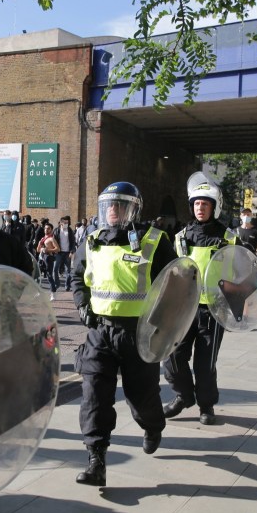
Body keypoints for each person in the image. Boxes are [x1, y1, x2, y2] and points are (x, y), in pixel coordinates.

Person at [72, 182, 177, 486]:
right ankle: (96, 459)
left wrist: (166, 325)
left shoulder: (154, 240)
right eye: (109, 206)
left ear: (134, 209)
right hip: (100, 333)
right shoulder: (91, 241)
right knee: (94, 397)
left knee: (141, 398)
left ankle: (153, 425)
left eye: (121, 205)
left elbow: (174, 285)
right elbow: (78, 277)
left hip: (139, 334)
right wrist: (82, 305)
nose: (114, 211)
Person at [162, 173, 236, 424]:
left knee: (205, 364)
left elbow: (238, 275)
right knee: (173, 357)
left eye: (205, 203)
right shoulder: (181, 236)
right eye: (196, 203)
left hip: (213, 310)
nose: (200, 207)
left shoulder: (228, 238)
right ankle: (183, 395)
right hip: (184, 309)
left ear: (214, 207)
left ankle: (206, 406)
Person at [52, 215, 77, 292]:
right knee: (55, 269)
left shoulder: (70, 231)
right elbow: (53, 241)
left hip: (67, 253)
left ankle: (67, 285)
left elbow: (73, 242)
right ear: (61, 223)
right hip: (59, 253)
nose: (67, 223)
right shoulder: (56, 231)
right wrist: (54, 250)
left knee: (68, 271)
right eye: (65, 222)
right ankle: (57, 283)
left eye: (67, 222)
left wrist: (71, 252)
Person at [36, 222, 60, 300]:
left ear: (51, 230)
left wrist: (47, 249)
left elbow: (57, 249)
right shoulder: (42, 239)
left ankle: (53, 293)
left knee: (49, 276)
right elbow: (38, 250)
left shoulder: (51, 238)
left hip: (48, 258)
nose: (46, 230)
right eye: (45, 228)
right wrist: (40, 245)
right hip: (41, 258)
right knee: (38, 275)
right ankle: (39, 292)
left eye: (48, 228)